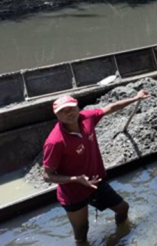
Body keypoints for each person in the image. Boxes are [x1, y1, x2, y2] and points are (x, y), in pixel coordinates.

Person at [42, 90, 150, 244]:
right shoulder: (55, 142)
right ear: (57, 115)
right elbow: (47, 176)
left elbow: (111, 108)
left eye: (71, 108)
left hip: (95, 181)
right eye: (63, 111)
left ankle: (119, 238)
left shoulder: (86, 118)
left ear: (77, 107)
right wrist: (76, 179)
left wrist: (135, 98)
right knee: (81, 233)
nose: (69, 113)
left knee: (122, 208)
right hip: (73, 192)